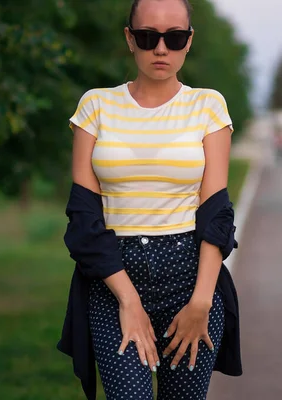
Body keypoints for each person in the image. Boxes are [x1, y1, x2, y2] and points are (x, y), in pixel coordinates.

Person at [58, 0, 241, 399]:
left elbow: (216, 215)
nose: (161, 49)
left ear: (189, 42)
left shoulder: (208, 106)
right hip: (112, 281)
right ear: (129, 39)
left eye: (174, 38)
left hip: (189, 284)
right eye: (147, 37)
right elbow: (84, 218)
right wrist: (128, 300)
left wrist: (202, 303)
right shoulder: (96, 106)